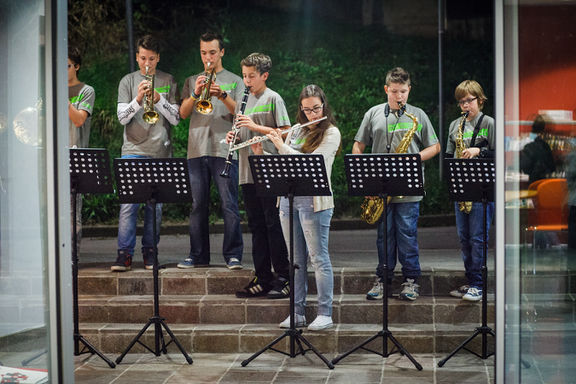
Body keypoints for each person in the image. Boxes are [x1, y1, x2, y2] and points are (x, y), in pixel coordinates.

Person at [353, 67, 440, 301]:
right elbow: (358, 146)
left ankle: (411, 279)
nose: (399, 96)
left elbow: (435, 147)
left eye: (403, 91)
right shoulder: (373, 113)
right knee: (384, 235)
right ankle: (383, 277)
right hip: (381, 187)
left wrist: (411, 160)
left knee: (407, 234)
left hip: (408, 187)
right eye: (394, 91)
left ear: (409, 90)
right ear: (386, 90)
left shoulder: (418, 115)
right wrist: (365, 178)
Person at [266, 84, 341, 330]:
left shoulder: (331, 133)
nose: (312, 114)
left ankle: (325, 313)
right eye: (307, 109)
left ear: (324, 106)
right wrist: (262, 153)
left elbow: (311, 163)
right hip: (287, 201)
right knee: (295, 260)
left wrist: (281, 146)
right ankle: (297, 312)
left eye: (316, 108)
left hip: (315, 202)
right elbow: (283, 165)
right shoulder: (297, 132)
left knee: (318, 258)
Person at [111, 35, 180, 272]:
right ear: (137, 56)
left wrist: (159, 99)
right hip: (133, 150)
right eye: (142, 58)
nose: (146, 63)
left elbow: (176, 118)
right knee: (129, 205)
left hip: (159, 151)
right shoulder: (127, 81)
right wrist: (139, 99)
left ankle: (150, 252)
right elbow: (122, 118)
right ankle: (124, 254)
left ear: (158, 57)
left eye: (151, 58)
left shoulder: (168, 80)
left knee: (156, 207)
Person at [176, 32, 244, 271]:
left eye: (212, 53)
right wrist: (196, 93)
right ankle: (198, 255)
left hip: (225, 150)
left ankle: (233, 254)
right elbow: (182, 114)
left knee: (229, 204)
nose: (208, 57)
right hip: (196, 149)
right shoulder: (192, 79)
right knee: (197, 206)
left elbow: (242, 113)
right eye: (204, 53)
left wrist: (222, 95)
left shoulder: (236, 80)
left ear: (222, 52)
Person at [228, 52, 291, 299]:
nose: (247, 81)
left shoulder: (273, 98)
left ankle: (283, 276)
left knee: (273, 224)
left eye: (251, 76)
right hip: (247, 171)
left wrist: (254, 127)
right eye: (244, 76)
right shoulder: (243, 100)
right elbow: (243, 134)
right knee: (256, 226)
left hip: (270, 172)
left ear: (264, 75)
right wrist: (234, 137)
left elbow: (286, 133)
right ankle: (262, 277)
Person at [445, 80, 495, 302]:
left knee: (478, 238)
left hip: (482, 190)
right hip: (462, 189)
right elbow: (448, 156)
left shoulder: (490, 123)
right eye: (461, 102)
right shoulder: (456, 125)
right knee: (464, 238)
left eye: (469, 100)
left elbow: (500, 154)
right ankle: (471, 279)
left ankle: (478, 284)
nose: (465, 105)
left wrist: (479, 151)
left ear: (480, 100)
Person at [68, 46, 95, 244]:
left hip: (75, 155)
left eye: (67, 66)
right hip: (53, 154)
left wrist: (64, 99)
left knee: (72, 212)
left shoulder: (86, 91)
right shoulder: (50, 89)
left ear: (76, 66)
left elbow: (78, 120)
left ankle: (72, 257)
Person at [520, 114, 556, 183]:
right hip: (546, 183)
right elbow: (552, 167)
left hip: (533, 183)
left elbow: (524, 167)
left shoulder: (528, 146)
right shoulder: (545, 145)